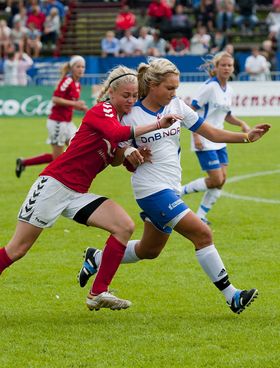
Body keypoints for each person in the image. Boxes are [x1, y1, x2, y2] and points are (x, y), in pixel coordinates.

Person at [78, 57, 270, 315]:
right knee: (203, 234)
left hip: (171, 187)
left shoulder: (177, 105)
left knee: (149, 250)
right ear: (153, 85)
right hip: (151, 190)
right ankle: (232, 295)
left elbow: (210, 132)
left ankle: (96, 258)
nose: (174, 93)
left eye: (176, 88)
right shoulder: (130, 113)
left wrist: (246, 137)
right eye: (169, 88)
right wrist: (130, 153)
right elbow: (114, 155)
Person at [0, 65, 181, 311]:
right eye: (125, 95)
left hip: (77, 194)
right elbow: (115, 133)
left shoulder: (120, 118)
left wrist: (133, 154)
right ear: (111, 93)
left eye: (135, 96)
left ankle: (97, 293)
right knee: (17, 249)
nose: (131, 100)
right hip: (54, 185)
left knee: (123, 226)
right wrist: (157, 124)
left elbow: (116, 158)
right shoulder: (101, 110)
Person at [181, 52, 251, 224]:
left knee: (221, 180)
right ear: (216, 67)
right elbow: (191, 110)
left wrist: (241, 123)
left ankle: (201, 216)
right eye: (223, 65)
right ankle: (178, 192)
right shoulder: (209, 87)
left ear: (233, 67)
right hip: (204, 139)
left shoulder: (230, 89)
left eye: (230, 65)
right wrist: (195, 134)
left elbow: (226, 115)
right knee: (216, 179)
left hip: (220, 139)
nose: (227, 68)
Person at [15, 55, 88, 178]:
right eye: (78, 66)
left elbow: (68, 103)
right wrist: (75, 103)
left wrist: (80, 107)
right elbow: (55, 99)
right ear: (71, 68)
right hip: (58, 122)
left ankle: (71, 175)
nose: (81, 69)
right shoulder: (67, 80)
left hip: (67, 122)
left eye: (83, 67)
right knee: (57, 157)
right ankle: (27, 164)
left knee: (77, 148)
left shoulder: (77, 84)